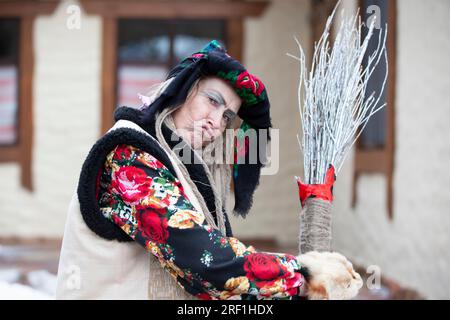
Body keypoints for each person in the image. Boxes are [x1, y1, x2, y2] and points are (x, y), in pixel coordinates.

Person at [56, 40, 362, 300]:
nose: (217, 121)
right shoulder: (130, 158)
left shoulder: (177, 164)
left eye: (228, 115)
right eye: (212, 100)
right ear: (181, 89)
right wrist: (303, 275)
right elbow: (205, 262)